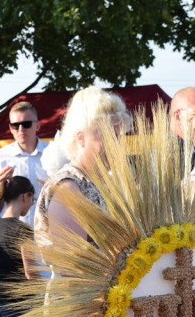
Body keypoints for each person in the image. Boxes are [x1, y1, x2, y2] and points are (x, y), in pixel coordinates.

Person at [35, 86, 132, 245]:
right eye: (108, 139)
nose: (117, 146)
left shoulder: (95, 184)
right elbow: (73, 265)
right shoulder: (68, 187)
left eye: (119, 138)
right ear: (81, 138)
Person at [0, 175, 37, 317]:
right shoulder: (24, 230)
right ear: (25, 196)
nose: (31, 204)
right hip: (20, 301)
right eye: (32, 199)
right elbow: (30, 273)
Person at [0, 101, 49, 225]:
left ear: (37, 126)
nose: (21, 129)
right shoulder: (0, 156)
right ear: (10, 128)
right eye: (15, 125)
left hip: (48, 230)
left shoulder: (53, 153)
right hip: (14, 232)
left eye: (26, 124)